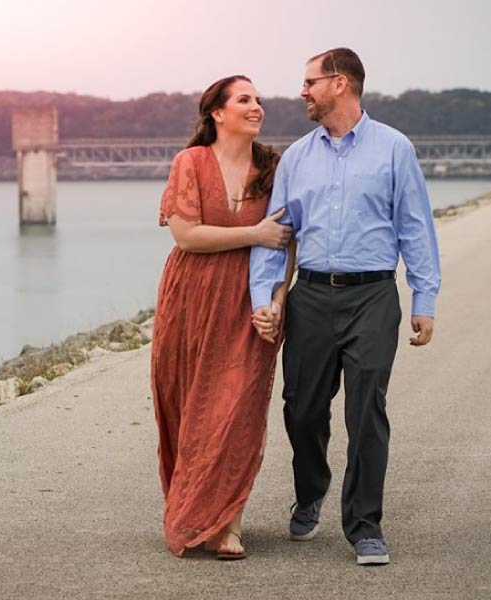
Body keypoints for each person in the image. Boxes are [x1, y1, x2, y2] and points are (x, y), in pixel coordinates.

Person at [249, 48, 441, 565]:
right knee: (301, 409)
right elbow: (277, 235)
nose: (302, 90)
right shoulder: (296, 158)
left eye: (310, 81)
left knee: (366, 408)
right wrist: (265, 299)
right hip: (310, 296)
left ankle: (364, 524)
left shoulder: (394, 149)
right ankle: (311, 490)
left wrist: (424, 298)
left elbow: (415, 227)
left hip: (373, 296)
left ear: (340, 83)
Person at [151, 75, 296, 560]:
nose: (257, 107)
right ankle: (195, 511)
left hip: (248, 302)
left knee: (239, 411)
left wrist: (277, 301)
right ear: (217, 112)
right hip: (190, 299)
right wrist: (254, 233)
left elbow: (285, 242)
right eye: (244, 100)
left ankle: (228, 524)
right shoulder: (189, 163)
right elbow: (187, 236)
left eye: (258, 100)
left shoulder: (273, 168)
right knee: (189, 407)